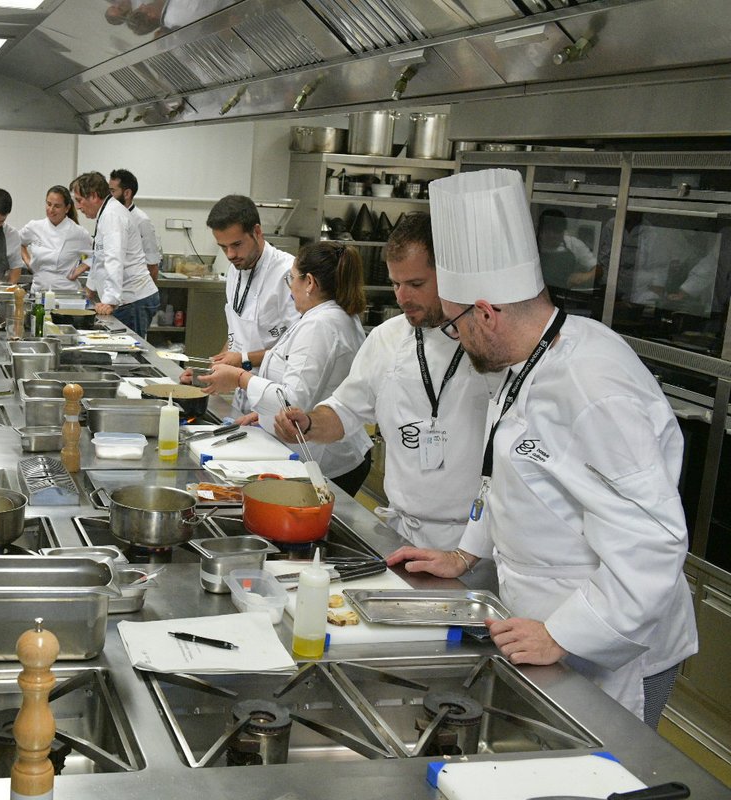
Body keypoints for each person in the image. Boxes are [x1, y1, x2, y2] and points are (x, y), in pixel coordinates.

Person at [387, 169, 698, 726]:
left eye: (455, 323)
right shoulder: (523, 364)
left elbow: (653, 541)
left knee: (609, 766)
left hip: (610, 642)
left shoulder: (593, 388)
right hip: (538, 628)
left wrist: (564, 633)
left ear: (486, 313)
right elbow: (506, 477)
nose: (454, 335)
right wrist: (465, 554)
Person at [273, 212, 495, 551]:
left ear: (451, 276)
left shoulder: (491, 345)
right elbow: (346, 409)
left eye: (416, 285)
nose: (402, 297)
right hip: (402, 530)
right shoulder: (387, 337)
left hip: (473, 540)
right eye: (395, 284)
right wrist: (310, 423)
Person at [198, 241, 374, 496]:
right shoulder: (324, 316)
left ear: (309, 282)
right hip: (322, 450)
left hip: (329, 462)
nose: (290, 287)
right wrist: (265, 416)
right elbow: (305, 387)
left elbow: (292, 403)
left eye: (292, 279)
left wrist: (240, 378)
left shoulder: (321, 325)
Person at [191, 195, 300, 416]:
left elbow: (298, 349)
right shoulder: (235, 270)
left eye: (237, 244)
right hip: (244, 397)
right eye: (223, 247)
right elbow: (237, 335)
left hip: (279, 399)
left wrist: (243, 360)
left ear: (257, 232)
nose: (231, 255)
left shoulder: (289, 274)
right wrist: (209, 370)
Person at [70, 171, 160, 336]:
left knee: (129, 350)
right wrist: (90, 289)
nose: (78, 207)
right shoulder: (106, 213)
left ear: (94, 196)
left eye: (79, 200)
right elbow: (99, 257)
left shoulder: (112, 215)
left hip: (133, 300)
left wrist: (109, 301)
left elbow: (114, 259)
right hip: (128, 300)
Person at [19, 185, 92, 294]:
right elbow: (18, 242)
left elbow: (93, 256)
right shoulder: (34, 227)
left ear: (67, 208)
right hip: (39, 291)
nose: (51, 210)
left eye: (57, 206)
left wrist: (78, 271)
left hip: (66, 293)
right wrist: (28, 262)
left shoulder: (78, 233)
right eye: (49, 204)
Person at [109, 169, 162, 282]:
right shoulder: (110, 216)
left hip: (134, 287)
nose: (109, 196)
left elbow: (152, 265)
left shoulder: (142, 221)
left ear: (127, 194)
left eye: (113, 191)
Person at [537, 208, 600, 291]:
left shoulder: (573, 244)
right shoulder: (531, 245)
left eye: (556, 231)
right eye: (548, 231)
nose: (552, 235)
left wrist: (585, 276)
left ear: (563, 232)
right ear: (540, 231)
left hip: (564, 293)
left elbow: (599, 269)